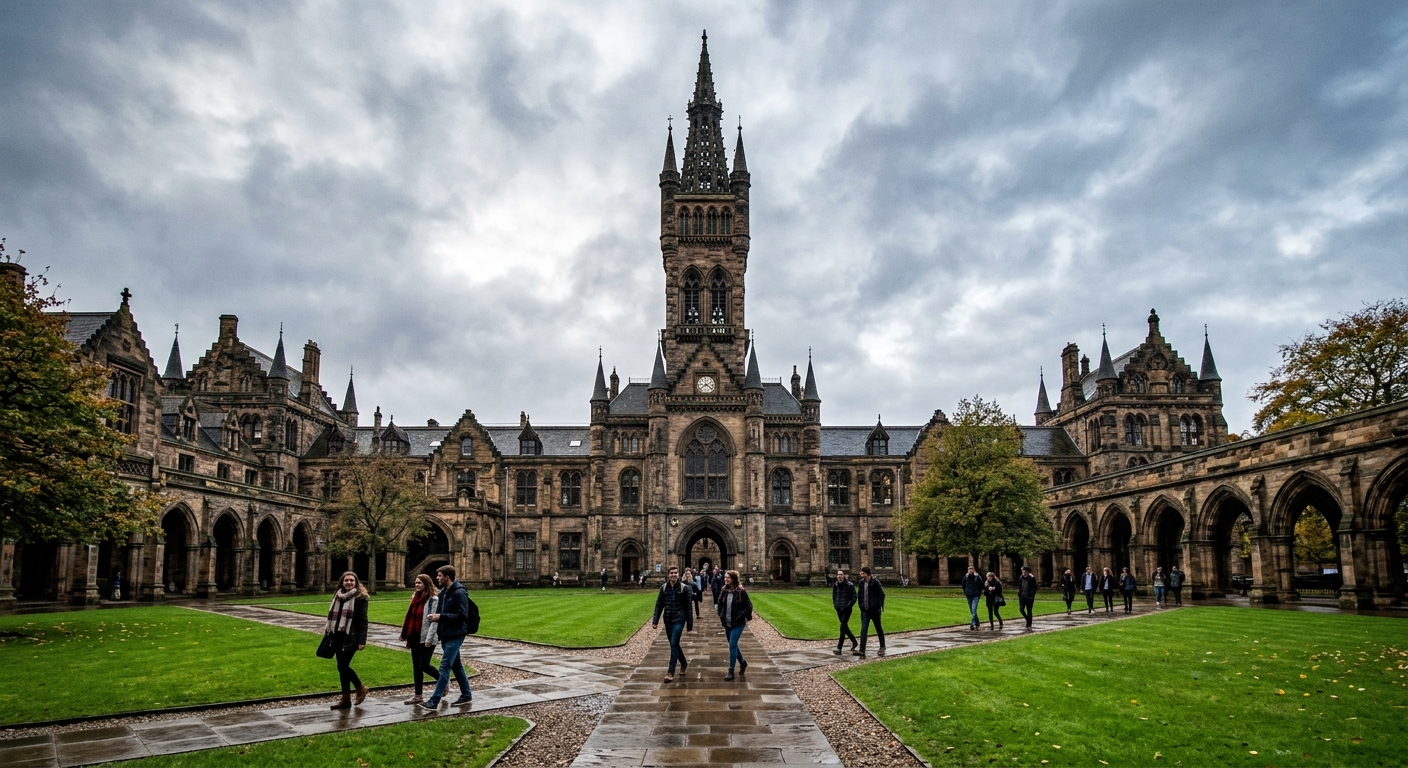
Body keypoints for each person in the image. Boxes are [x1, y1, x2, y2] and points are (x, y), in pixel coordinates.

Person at [420, 565, 473, 709]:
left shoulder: (459, 592)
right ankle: (466, 694)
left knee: (444, 666)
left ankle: (434, 700)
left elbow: (462, 615)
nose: (437, 578)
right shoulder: (443, 593)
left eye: (439, 576)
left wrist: (440, 616)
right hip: (445, 634)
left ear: (447, 577)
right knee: (457, 666)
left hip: (456, 634)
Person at [324, 571, 369, 709]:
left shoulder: (361, 598)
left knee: (342, 666)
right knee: (341, 669)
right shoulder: (338, 596)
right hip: (337, 636)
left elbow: (363, 621)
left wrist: (362, 641)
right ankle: (345, 699)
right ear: (342, 582)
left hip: (351, 637)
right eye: (346, 580)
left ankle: (360, 688)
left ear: (356, 582)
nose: (349, 582)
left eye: (351, 580)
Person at [400, 574, 441, 704]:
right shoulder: (415, 598)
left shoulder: (433, 599)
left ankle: (443, 681)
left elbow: (434, 621)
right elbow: (410, 617)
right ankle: (418, 696)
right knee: (416, 667)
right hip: (415, 636)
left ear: (426, 584)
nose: (417, 585)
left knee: (424, 665)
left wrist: (429, 639)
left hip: (427, 636)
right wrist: (405, 633)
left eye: (420, 583)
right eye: (416, 583)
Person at [651, 565, 693, 682]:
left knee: (674, 642)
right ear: (668, 575)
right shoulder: (664, 588)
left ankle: (670, 672)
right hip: (668, 620)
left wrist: (689, 624)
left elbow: (688, 607)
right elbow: (659, 605)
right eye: (671, 573)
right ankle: (683, 663)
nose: (673, 575)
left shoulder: (685, 588)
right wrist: (655, 621)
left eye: (675, 573)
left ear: (678, 574)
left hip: (679, 619)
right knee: (674, 644)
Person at [717, 569, 752, 680]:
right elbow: (720, 604)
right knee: (734, 645)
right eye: (725, 577)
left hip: (738, 623)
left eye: (728, 577)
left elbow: (749, 606)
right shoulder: (723, 590)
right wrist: (721, 615)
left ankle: (731, 671)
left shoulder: (741, 591)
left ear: (733, 579)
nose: (725, 579)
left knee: (732, 645)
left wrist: (740, 616)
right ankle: (742, 662)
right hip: (727, 623)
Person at [855, 566, 886, 657]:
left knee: (878, 628)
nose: (861, 575)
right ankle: (862, 650)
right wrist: (861, 606)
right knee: (863, 629)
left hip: (875, 610)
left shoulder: (875, 582)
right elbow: (860, 595)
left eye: (863, 573)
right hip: (865, 610)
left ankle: (882, 646)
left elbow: (882, 595)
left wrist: (877, 605)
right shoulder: (861, 583)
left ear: (867, 574)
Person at [831, 569, 858, 655]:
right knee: (845, 627)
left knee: (842, 628)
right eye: (838, 575)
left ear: (844, 575)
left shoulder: (850, 585)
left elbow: (854, 597)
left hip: (847, 610)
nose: (839, 576)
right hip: (839, 609)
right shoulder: (835, 585)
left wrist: (848, 606)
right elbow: (834, 596)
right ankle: (854, 642)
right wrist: (835, 605)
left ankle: (839, 648)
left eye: (841, 574)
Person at [961, 565, 984, 630]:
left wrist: (978, 592)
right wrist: (965, 591)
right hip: (968, 595)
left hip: (975, 595)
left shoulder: (977, 577)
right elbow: (963, 585)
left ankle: (972, 624)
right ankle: (977, 622)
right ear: (968, 570)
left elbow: (981, 585)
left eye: (972, 569)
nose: (970, 570)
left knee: (974, 609)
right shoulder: (966, 577)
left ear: (974, 570)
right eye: (969, 569)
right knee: (972, 610)